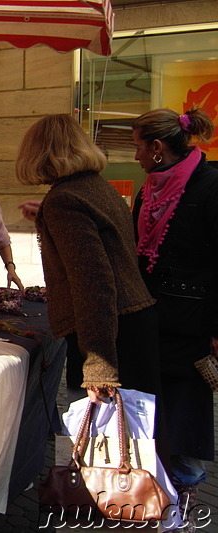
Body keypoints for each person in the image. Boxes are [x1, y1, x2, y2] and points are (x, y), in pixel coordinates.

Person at [15, 114, 161, 408]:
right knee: (140, 432)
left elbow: (94, 283)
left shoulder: (65, 199)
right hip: (130, 324)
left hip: (109, 334)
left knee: (110, 438)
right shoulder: (96, 187)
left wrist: (99, 367)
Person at [131, 107, 218, 513]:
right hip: (152, 324)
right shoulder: (147, 191)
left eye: (138, 147)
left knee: (184, 418)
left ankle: (182, 503)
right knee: (155, 418)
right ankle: (155, 497)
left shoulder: (211, 184)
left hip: (193, 329)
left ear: (158, 147)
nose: (136, 157)